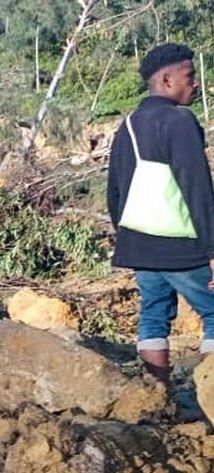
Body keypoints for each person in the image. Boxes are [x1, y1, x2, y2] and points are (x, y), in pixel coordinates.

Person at [107, 43, 214, 387]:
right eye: (190, 76)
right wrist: (212, 250)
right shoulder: (180, 121)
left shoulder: (128, 125)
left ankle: (159, 397)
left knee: (153, 316)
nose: (196, 84)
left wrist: (131, 239)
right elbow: (197, 189)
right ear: (167, 80)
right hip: (182, 247)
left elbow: (115, 193)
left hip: (140, 245)